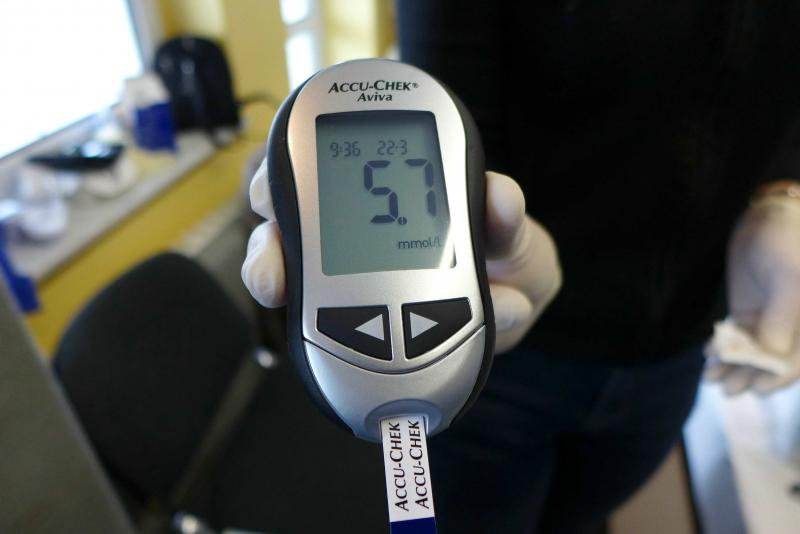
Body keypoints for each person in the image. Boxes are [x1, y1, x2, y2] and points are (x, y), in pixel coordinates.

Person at [243, 1, 800, 532]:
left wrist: (784, 192)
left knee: (576, 521)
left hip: (679, 346)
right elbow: (448, 117)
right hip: (504, 357)